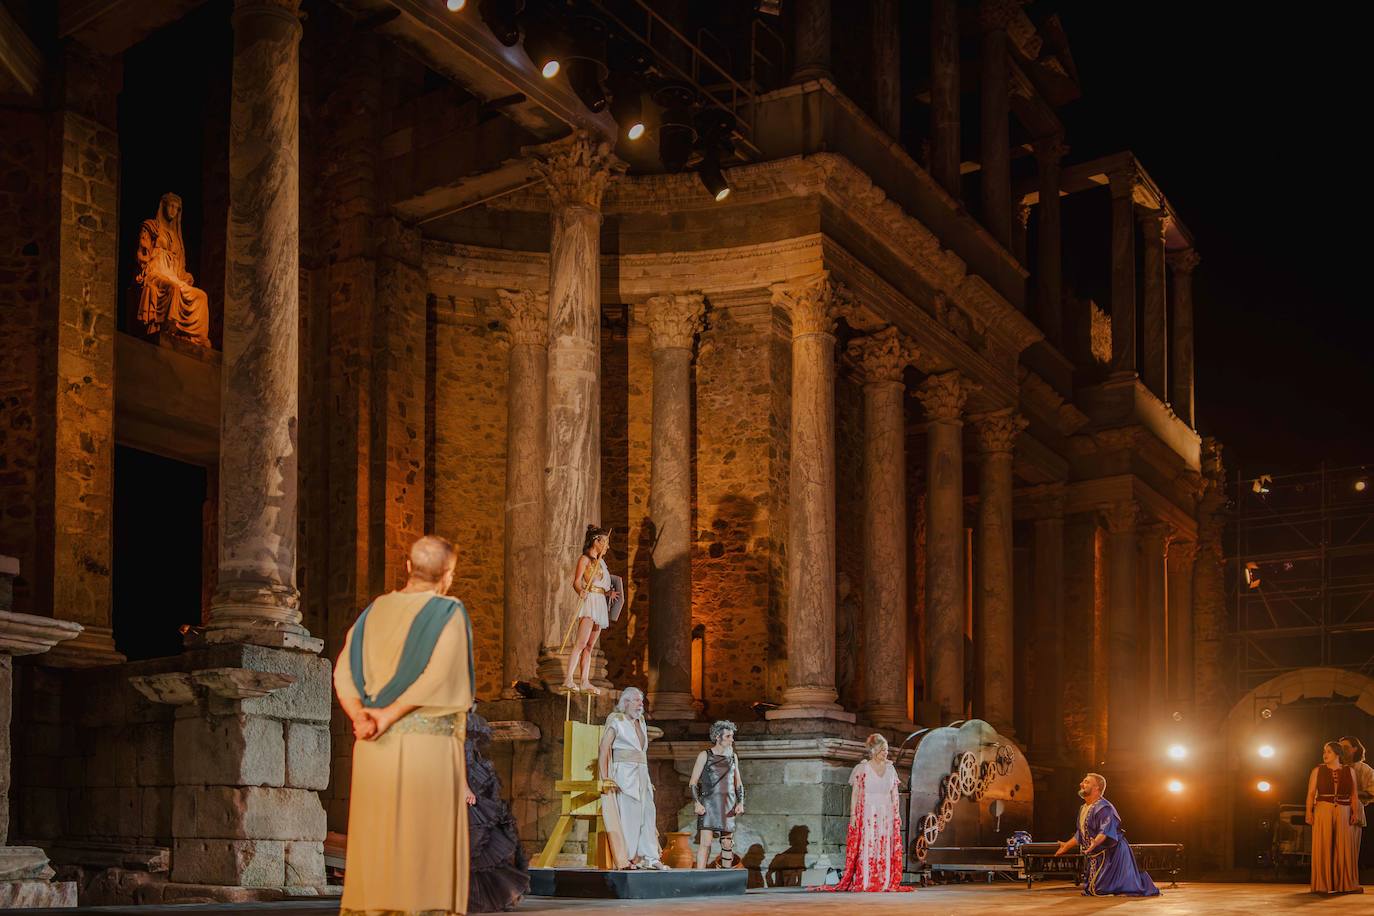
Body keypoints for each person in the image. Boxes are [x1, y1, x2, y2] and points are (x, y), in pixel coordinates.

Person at [334, 535, 475, 915]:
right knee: (420, 849)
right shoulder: (449, 611)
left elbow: (344, 672)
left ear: (409, 567)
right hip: (426, 750)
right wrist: (388, 715)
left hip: (373, 748)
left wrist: (360, 715)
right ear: (447, 574)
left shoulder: (373, 612)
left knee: (378, 843)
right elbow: (439, 676)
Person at [814, 734, 912, 892]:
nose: (885, 753)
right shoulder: (863, 768)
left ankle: (884, 880)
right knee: (868, 844)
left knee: (885, 844)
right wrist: (853, 815)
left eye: (886, 750)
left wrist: (897, 814)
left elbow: (894, 793)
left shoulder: (890, 768)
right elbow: (855, 793)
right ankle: (866, 880)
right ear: (874, 751)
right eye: (882, 750)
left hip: (886, 811)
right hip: (868, 811)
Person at [465, 711, 530, 913]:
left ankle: (496, 894)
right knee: (477, 846)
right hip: (464, 778)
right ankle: (492, 895)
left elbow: (463, 754)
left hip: (470, 780)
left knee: (478, 844)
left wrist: (464, 786)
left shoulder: (463, 722)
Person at [1054, 773, 1159, 897]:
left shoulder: (1104, 807)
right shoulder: (1084, 808)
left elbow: (1106, 829)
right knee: (1095, 889)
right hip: (1098, 854)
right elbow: (1081, 833)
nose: (1082, 784)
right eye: (1083, 781)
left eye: (1087, 782)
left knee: (1110, 888)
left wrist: (1096, 842)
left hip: (1113, 853)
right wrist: (1067, 845)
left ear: (1097, 787)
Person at [598, 687, 668, 870]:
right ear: (626, 702)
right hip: (624, 772)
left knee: (647, 813)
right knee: (630, 814)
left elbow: (641, 751)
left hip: (642, 773)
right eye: (637, 700)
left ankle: (650, 857)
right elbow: (604, 748)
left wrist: (647, 778)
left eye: (641, 701)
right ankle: (627, 858)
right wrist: (605, 776)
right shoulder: (616, 719)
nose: (640, 704)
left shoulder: (641, 721)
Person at [134, 192, 210, 344]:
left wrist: (185, 275)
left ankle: (196, 337)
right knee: (173, 289)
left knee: (201, 296)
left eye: (177, 208)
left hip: (173, 275)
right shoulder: (152, 227)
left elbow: (180, 265)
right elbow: (142, 255)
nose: (173, 210)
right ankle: (170, 327)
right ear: (164, 206)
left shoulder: (177, 238)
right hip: (155, 272)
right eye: (171, 206)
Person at [561, 525, 620, 695]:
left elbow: (602, 585)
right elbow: (577, 582)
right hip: (590, 601)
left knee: (589, 646)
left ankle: (585, 681)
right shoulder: (585, 560)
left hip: (600, 601)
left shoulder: (602, 562)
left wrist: (610, 593)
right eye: (605, 543)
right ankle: (569, 679)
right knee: (580, 642)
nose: (607, 546)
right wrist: (581, 591)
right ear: (596, 541)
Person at [1306, 740, 1364, 894]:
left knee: (1344, 846)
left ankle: (1346, 884)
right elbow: (1311, 793)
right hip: (1323, 808)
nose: (1325, 755)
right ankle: (1322, 885)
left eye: (1328, 752)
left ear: (1337, 754)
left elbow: (1353, 794)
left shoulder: (1349, 771)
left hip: (1344, 809)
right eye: (1324, 752)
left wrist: (1355, 812)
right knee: (1324, 845)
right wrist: (1309, 812)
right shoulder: (1317, 770)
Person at [689, 720, 745, 869]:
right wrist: (697, 802)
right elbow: (693, 782)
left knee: (727, 844)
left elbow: (738, 782)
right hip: (709, 803)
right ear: (717, 737)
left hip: (728, 803)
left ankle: (726, 876)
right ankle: (700, 876)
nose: (732, 739)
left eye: (732, 736)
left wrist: (740, 802)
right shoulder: (705, 755)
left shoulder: (733, 756)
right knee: (705, 843)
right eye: (728, 736)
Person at [1340, 736, 1374, 871]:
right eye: (1340, 747)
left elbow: (1372, 791)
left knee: (1350, 848)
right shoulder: (1332, 767)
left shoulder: (1363, 769)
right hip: (1333, 811)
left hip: (1353, 812)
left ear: (1355, 749)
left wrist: (1352, 793)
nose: (1342, 750)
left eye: (1346, 747)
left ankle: (1348, 879)